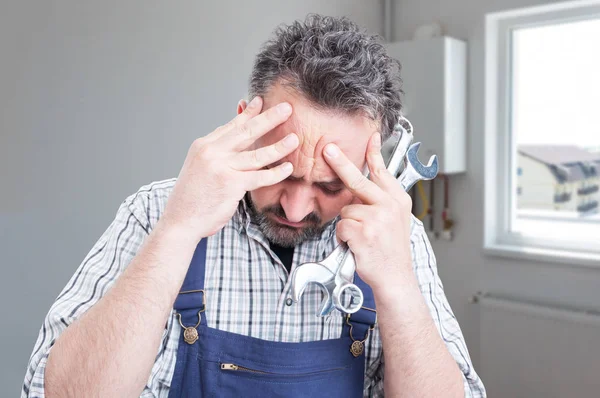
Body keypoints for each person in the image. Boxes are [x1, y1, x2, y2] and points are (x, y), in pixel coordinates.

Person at [22, 14, 485, 397]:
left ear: (373, 165)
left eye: (329, 186)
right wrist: (178, 230)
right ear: (246, 124)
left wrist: (398, 284)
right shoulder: (157, 212)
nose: (298, 207)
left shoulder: (393, 237)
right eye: (281, 170)